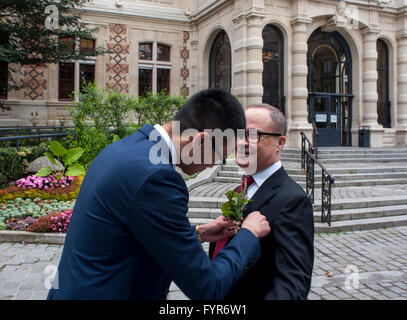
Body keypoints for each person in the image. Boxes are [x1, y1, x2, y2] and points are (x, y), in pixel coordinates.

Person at [47, 89, 270, 300]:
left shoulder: (126, 148)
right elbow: (207, 287)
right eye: (219, 155)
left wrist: (198, 234)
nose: (214, 163)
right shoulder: (157, 179)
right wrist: (248, 234)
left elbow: (126, 239)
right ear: (199, 140)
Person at [209, 104, 314, 300]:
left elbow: (292, 286)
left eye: (253, 135)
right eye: (239, 134)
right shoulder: (239, 191)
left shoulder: (292, 200)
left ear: (280, 143)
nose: (242, 142)